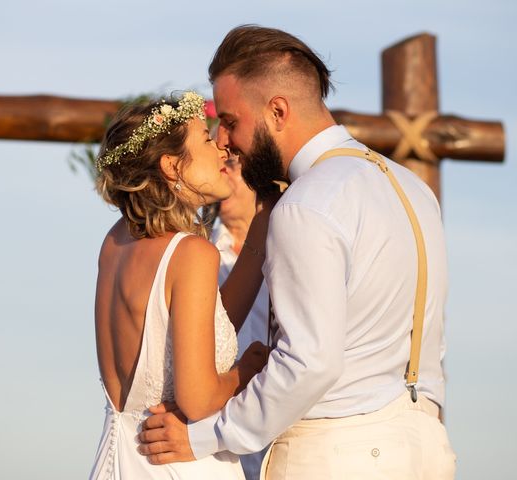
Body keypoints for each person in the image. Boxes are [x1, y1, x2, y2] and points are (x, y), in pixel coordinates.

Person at [138, 26, 456, 479]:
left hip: (336, 455)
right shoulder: (415, 190)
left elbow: (309, 363)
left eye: (230, 121)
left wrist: (205, 435)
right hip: (427, 449)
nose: (224, 141)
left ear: (278, 111)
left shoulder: (307, 203)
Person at [88, 91, 271, 479]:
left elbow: (208, 323)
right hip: (178, 464)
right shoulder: (190, 253)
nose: (222, 150)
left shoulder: (114, 242)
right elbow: (198, 398)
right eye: (206, 140)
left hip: (119, 458)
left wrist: (264, 217)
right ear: (172, 166)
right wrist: (249, 367)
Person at [210, 152, 269, 480]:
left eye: (233, 164)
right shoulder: (199, 246)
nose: (224, 171)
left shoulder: (288, 246)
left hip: (279, 426)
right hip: (217, 438)